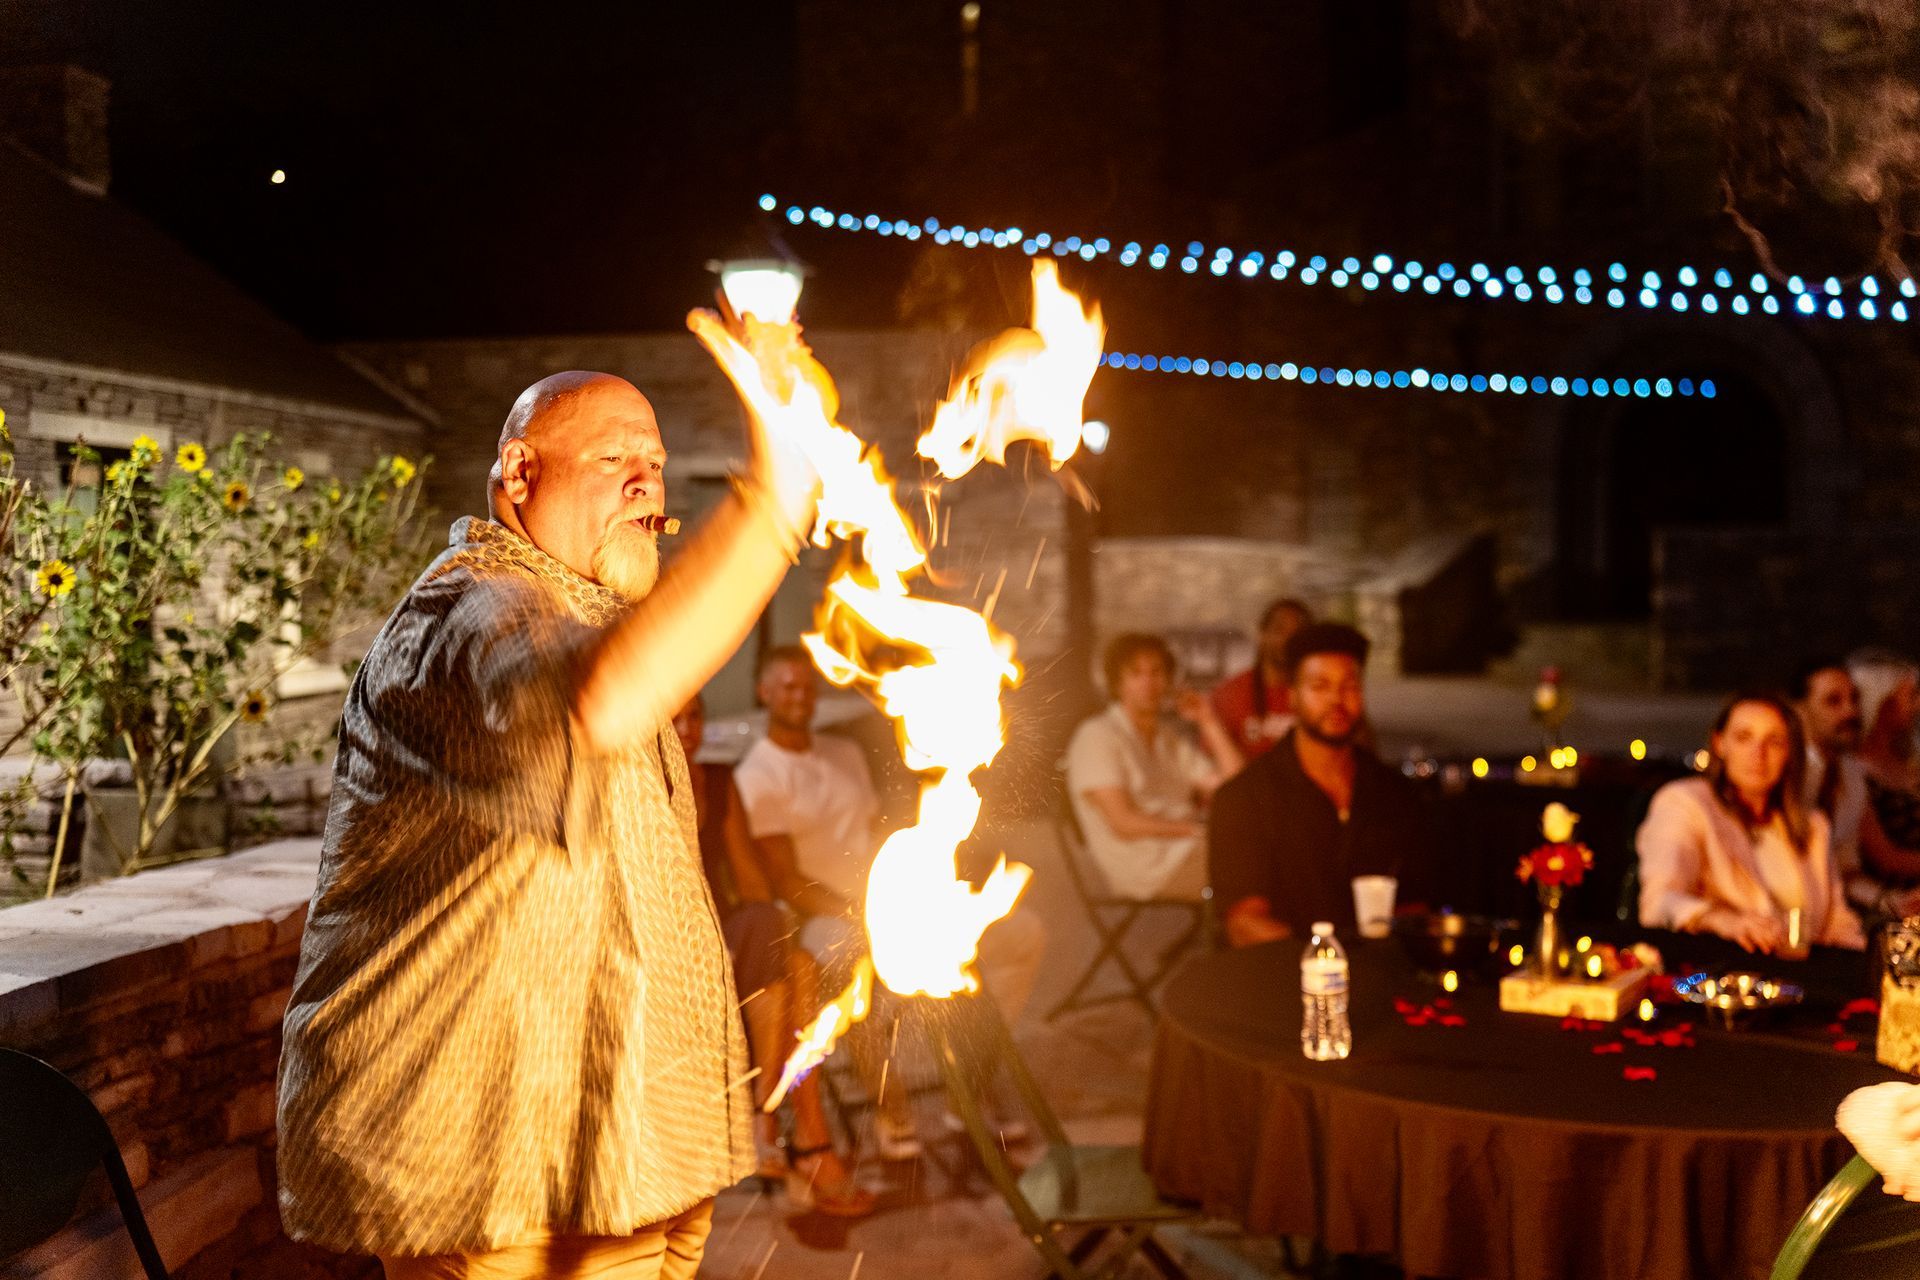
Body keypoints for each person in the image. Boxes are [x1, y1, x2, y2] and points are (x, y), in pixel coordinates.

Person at [277, 370, 820, 1280]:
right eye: (614, 460)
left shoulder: (580, 613)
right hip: (499, 1166)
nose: (648, 483)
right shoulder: (472, 611)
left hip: (632, 1151)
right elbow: (600, 701)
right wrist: (775, 500)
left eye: (655, 462)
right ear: (519, 474)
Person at [734, 645, 1048, 1156]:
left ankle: (971, 1078)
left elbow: (880, 832)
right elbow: (786, 879)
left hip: (891, 896)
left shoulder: (844, 754)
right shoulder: (760, 774)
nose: (800, 696)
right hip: (824, 914)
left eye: (807, 686)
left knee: (1020, 933)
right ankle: (890, 1104)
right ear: (764, 693)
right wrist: (860, 914)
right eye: (787, 687)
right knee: (848, 956)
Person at [671, 693, 874, 1218]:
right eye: (676, 718)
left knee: (789, 950)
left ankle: (765, 1112)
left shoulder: (717, 781)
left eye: (697, 716)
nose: (688, 728)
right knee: (789, 963)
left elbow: (752, 882)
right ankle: (805, 1140)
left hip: (726, 931)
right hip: (668, 938)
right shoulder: (639, 785)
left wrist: (781, 919)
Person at [1207, 622, 1435, 946]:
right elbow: (1244, 924)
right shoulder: (1245, 799)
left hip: (1385, 977)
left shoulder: (1394, 793)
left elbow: (1414, 905)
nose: (1336, 700)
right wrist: (1330, 959)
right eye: (1320, 686)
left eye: (1349, 686)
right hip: (1282, 980)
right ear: (1293, 697)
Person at [1637, 691, 1865, 952]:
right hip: (1715, 973)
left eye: (1774, 741)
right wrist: (1721, 920)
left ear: (1790, 752)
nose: (1758, 753)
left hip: (1799, 977)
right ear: (1720, 743)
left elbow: (1836, 923)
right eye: (1744, 738)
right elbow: (1659, 903)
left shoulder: (1813, 825)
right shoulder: (1685, 803)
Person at [1065, 633, 1244, 902]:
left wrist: (1207, 721)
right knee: (1259, 870)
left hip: (1189, 849)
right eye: (1135, 674)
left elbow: (1238, 788)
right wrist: (1196, 830)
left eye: (1157, 672)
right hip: (1147, 867)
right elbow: (1123, 822)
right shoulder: (1097, 735)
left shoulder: (1167, 738)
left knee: (1268, 860)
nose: (1148, 683)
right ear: (1118, 683)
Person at [1791, 658, 1920, 922]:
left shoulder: (1850, 775)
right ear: (1800, 710)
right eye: (1833, 701)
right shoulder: (1785, 774)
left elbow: (1845, 870)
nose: (1850, 711)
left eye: (1854, 699)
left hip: (1828, 923)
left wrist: (1891, 900)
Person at [1210, 598, 1313, 759]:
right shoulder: (1230, 694)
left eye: (1298, 633)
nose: (1289, 639)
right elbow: (1212, 765)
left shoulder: (1320, 694)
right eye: (1280, 630)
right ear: (1262, 635)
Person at [1851, 650, 1920, 854]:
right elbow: (1882, 853)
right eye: (1911, 697)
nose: (1918, 706)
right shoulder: (1856, 772)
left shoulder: (1907, 760)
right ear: (1882, 703)